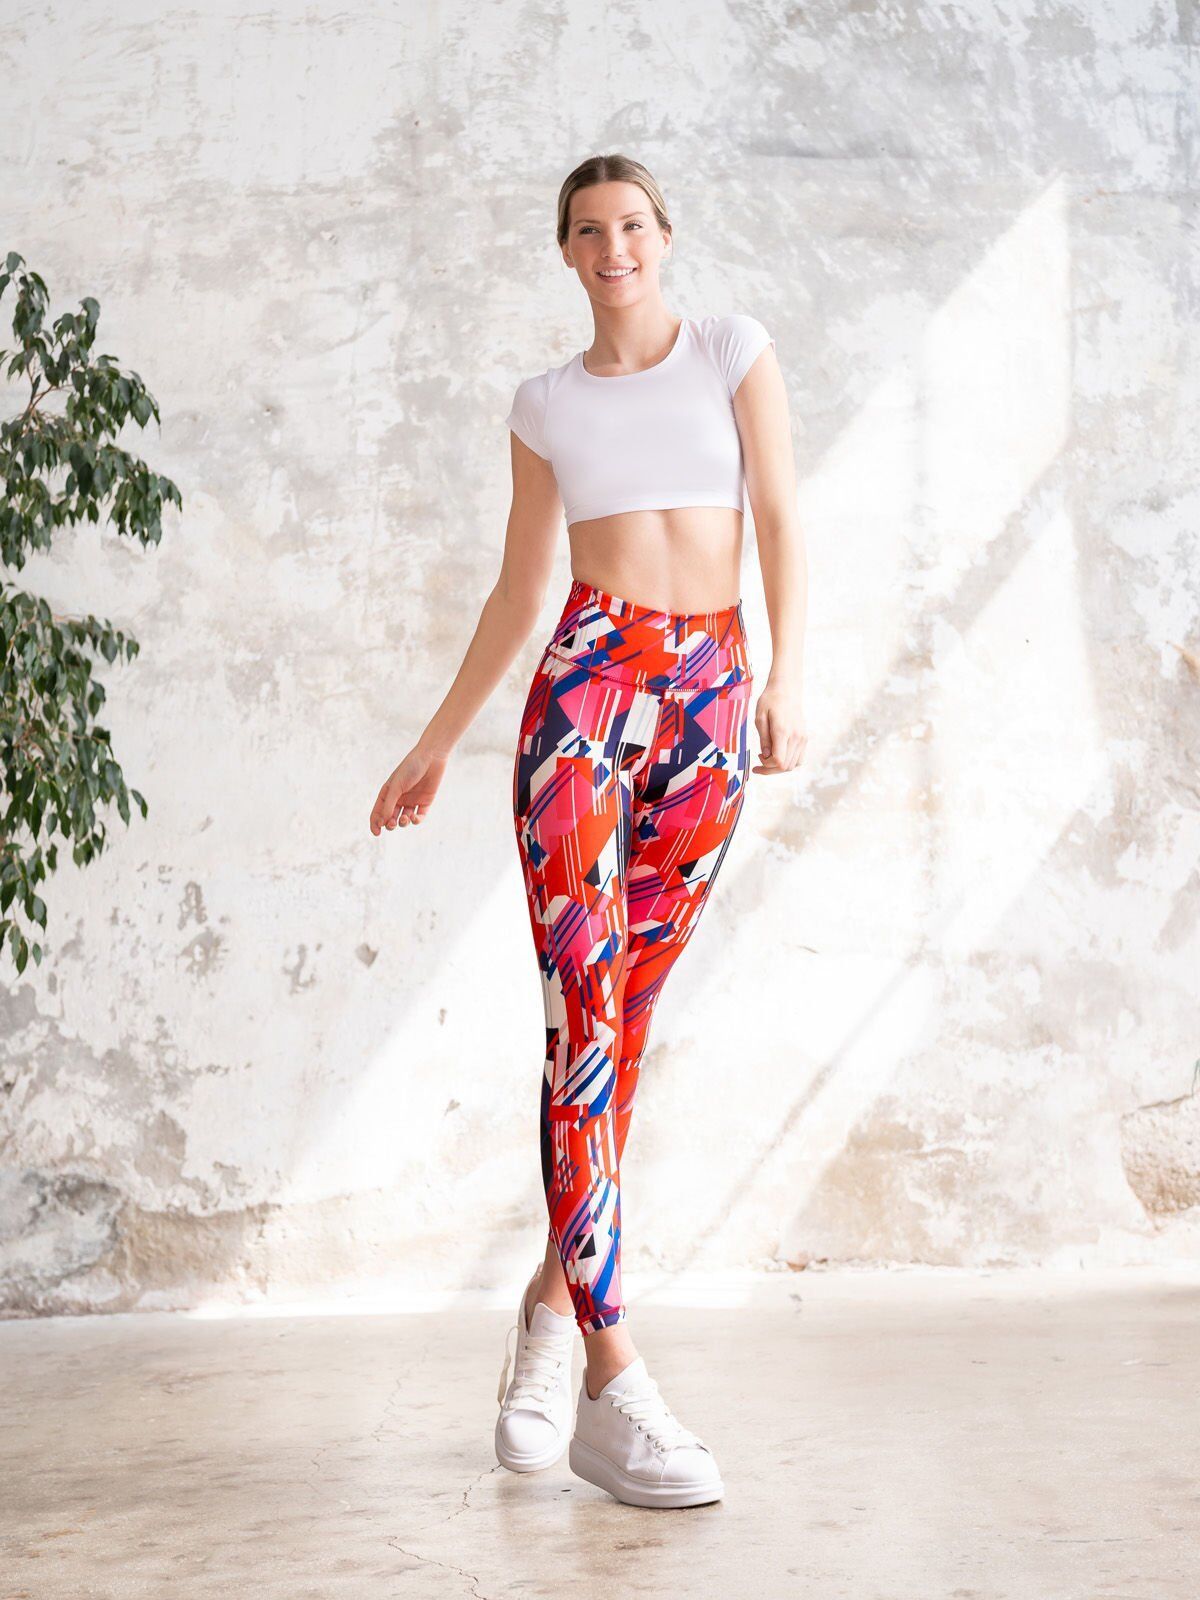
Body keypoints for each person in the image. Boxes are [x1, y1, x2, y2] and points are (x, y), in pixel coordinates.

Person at [369, 153, 808, 1508]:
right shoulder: (545, 404)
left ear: (664, 236)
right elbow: (520, 586)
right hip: (588, 692)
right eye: (586, 231)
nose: (612, 247)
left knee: (629, 1027)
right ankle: (617, 1381)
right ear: (564, 253)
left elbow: (779, 517)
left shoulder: (732, 351)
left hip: (712, 694)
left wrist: (789, 677)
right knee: (584, 1022)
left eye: (631, 225)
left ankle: (550, 1307)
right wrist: (437, 739)